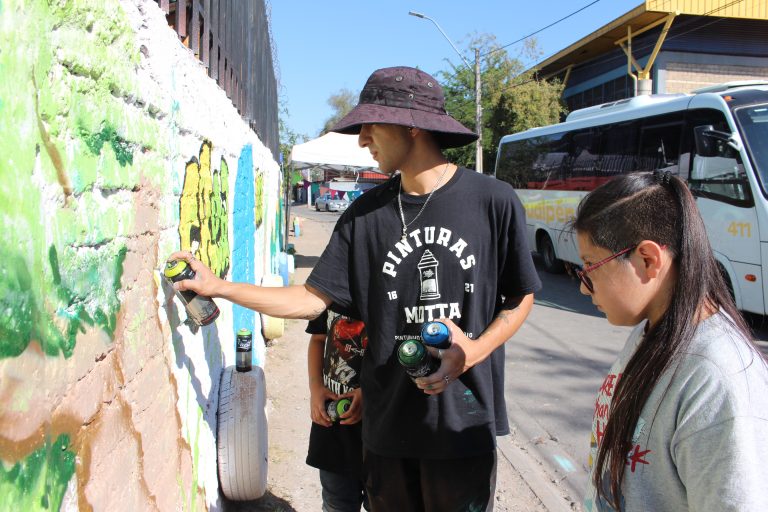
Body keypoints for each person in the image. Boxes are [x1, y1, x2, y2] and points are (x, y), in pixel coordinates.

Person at [169, 66, 541, 510]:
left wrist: (474, 352)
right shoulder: (364, 215)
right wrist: (219, 287)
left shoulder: (492, 201)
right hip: (384, 432)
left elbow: (520, 296)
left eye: (370, 125)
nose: (362, 139)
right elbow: (311, 300)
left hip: (462, 427)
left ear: (413, 125)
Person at [572, 171, 768, 511]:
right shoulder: (651, 330)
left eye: (590, 266)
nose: (582, 285)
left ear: (648, 260)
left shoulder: (715, 378)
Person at [306, 310, 368, 511]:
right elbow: (317, 339)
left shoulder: (395, 289)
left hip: (383, 431)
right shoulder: (329, 287)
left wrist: (370, 393)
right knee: (336, 502)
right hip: (334, 429)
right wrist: (316, 389)